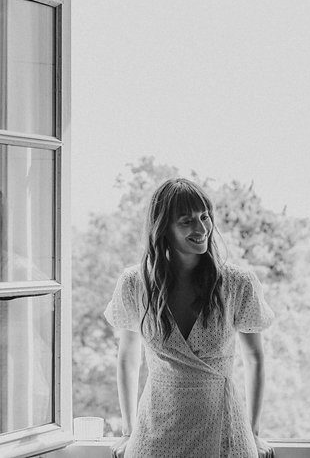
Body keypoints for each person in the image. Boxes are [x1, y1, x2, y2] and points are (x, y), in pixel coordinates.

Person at [104, 178, 275, 458]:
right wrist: (127, 431)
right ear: (163, 229)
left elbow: (255, 358)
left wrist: (253, 432)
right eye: (187, 221)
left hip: (224, 430)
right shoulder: (135, 283)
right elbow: (127, 359)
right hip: (156, 433)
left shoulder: (237, 283)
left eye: (204, 217)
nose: (202, 228)